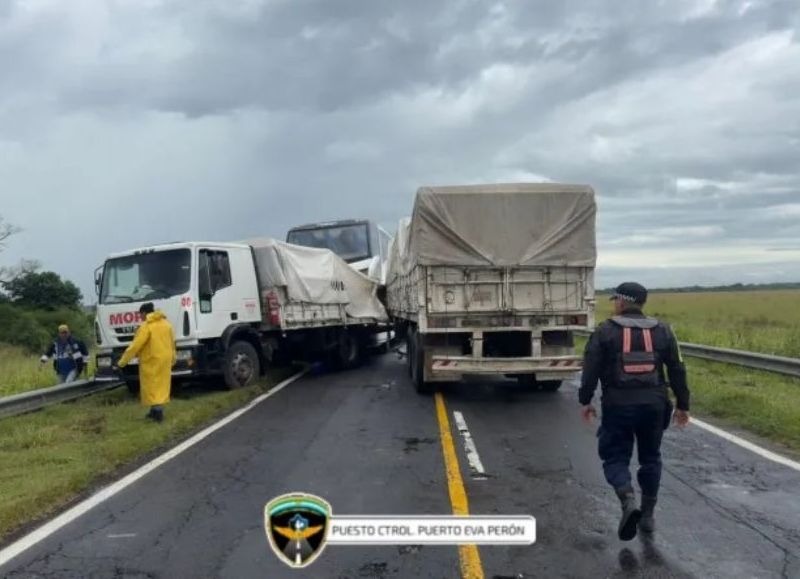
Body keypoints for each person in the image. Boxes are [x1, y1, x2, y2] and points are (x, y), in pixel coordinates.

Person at [579, 282, 690, 541]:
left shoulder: (605, 331)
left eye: (615, 299)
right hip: (654, 405)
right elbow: (677, 369)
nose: (614, 304)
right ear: (641, 303)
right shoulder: (664, 330)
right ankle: (648, 515)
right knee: (651, 458)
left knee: (615, 457)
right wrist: (683, 404)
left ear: (621, 301)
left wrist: (586, 400)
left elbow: (590, 370)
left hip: (618, 406)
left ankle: (627, 499)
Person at [116, 302, 176, 423]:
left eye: (140, 315)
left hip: (151, 360)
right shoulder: (166, 324)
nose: (140, 317)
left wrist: (122, 362)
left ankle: (157, 414)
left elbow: (135, 346)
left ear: (144, 313)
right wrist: (173, 359)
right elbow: (172, 343)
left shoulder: (146, 327)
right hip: (165, 359)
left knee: (152, 387)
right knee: (161, 385)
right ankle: (154, 411)